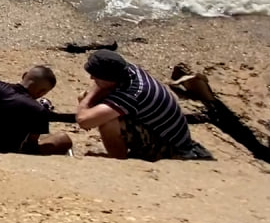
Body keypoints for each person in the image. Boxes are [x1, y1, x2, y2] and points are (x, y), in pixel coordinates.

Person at [76, 49, 211, 161]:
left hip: (171, 147)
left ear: (110, 78)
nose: (92, 78)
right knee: (89, 102)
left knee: (107, 121)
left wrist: (86, 104)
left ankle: (119, 161)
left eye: (95, 75)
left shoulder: (132, 94)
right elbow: (101, 87)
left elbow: (83, 121)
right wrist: (88, 100)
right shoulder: (128, 70)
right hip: (158, 131)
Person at [0, 66, 73, 156]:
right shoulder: (38, 110)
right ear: (41, 92)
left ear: (24, 75)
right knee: (63, 139)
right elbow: (31, 145)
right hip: (8, 152)